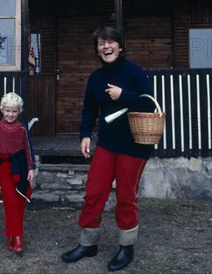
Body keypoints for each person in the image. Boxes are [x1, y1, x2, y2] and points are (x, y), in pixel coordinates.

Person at [61, 27, 156, 271]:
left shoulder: (135, 73)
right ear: (97, 50)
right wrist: (84, 135)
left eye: (111, 42)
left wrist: (124, 94)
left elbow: (148, 104)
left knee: (126, 196)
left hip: (134, 145)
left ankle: (126, 247)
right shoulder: (95, 77)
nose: (106, 47)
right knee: (94, 192)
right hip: (107, 143)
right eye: (101, 43)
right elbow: (89, 110)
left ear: (120, 47)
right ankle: (88, 244)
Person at [0, 92, 37, 253]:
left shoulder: (22, 129)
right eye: (8, 110)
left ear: (19, 111)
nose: (10, 114)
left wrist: (31, 167)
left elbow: (28, 148)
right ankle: (18, 238)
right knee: (11, 202)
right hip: (3, 169)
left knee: (20, 201)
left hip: (20, 167)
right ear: (2, 110)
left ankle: (12, 236)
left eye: (14, 111)